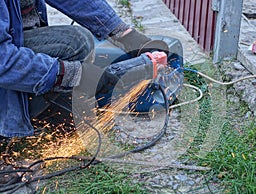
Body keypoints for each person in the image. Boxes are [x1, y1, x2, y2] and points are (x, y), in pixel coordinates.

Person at [0, 0, 164, 139]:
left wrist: (124, 34)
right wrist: (74, 74)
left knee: (73, 122)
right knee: (75, 44)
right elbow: (3, 61)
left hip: (13, 41)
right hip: (5, 59)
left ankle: (35, 110)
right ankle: (7, 123)